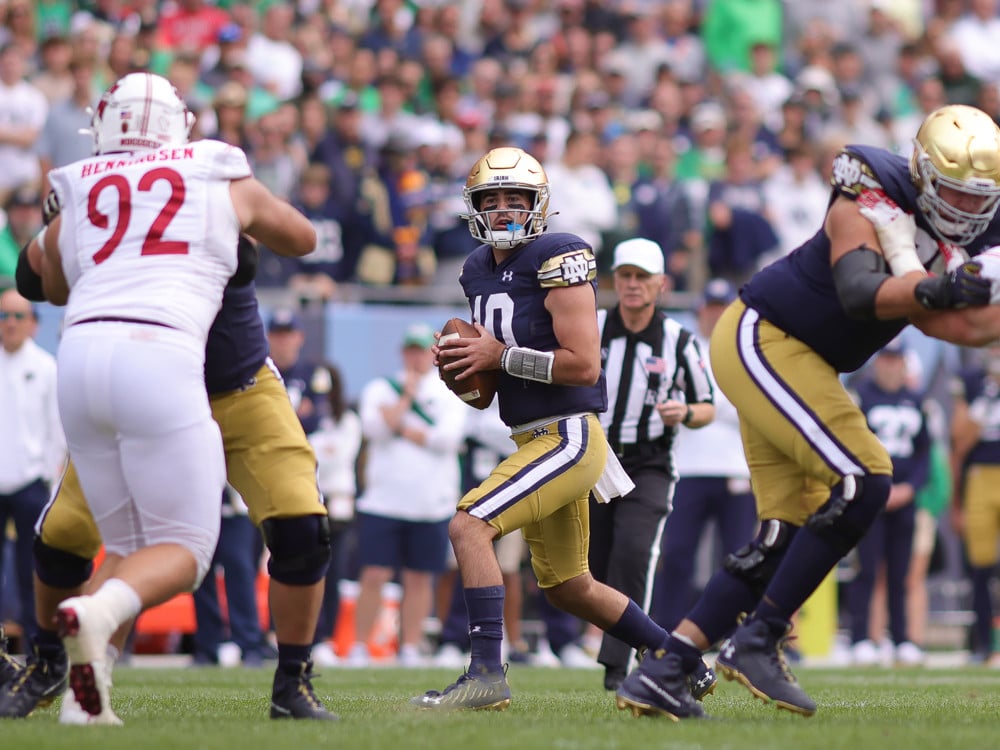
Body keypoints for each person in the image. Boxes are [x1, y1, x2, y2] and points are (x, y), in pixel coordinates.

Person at [616, 103, 1000, 719]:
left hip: (805, 362)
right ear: (924, 174)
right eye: (956, 193)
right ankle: (757, 640)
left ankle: (666, 669)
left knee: (783, 530)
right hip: (763, 336)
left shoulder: (973, 234)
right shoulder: (868, 197)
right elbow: (860, 291)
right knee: (865, 478)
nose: (968, 211)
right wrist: (939, 285)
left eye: (980, 199)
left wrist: (966, 302)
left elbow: (957, 324)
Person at [0, 72, 327, 725]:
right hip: (160, 376)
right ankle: (53, 663)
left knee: (300, 526)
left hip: (224, 381)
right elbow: (305, 238)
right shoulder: (209, 172)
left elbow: (33, 280)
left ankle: (291, 680)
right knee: (67, 538)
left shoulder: (94, 182)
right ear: (184, 126)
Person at [410, 146, 705, 717]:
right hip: (531, 435)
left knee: (469, 526)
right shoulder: (477, 268)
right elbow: (490, 388)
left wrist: (500, 353)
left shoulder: (560, 253)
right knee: (570, 586)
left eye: (513, 199)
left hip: (569, 434)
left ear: (537, 204)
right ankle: (679, 661)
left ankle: (485, 674)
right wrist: (464, 367)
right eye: (490, 200)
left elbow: (583, 364)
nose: (501, 210)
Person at [590, 237, 716, 691]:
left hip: (649, 464)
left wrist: (683, 413)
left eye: (642, 276)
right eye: (625, 275)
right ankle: (602, 645)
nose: (632, 284)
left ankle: (617, 664)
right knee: (589, 563)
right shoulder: (593, 325)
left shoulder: (679, 339)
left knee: (634, 552)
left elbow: (707, 406)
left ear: (661, 284)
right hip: (595, 461)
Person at [346, 322, 467, 667]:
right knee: (374, 575)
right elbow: (373, 430)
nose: (416, 356)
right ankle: (359, 645)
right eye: (410, 350)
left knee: (419, 577)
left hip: (430, 501)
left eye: (421, 350)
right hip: (383, 500)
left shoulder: (449, 392)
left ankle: (410, 646)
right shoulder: (381, 389)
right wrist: (406, 399)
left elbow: (447, 439)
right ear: (403, 352)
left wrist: (398, 425)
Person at [651, 278, 758, 634]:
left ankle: (737, 631)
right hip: (689, 466)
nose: (714, 316)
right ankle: (667, 630)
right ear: (699, 313)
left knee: (738, 555)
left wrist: (698, 406)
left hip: (734, 466)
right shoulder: (682, 350)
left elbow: (750, 405)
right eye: (709, 310)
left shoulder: (745, 351)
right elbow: (664, 399)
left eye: (721, 310)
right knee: (678, 552)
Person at [845, 337, 930, 666]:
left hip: (904, 499)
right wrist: (871, 488)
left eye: (897, 360)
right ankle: (862, 637)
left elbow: (924, 452)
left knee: (899, 572)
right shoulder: (862, 398)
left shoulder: (915, 400)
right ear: (877, 362)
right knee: (866, 569)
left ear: (904, 364)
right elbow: (850, 447)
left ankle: (901, 637)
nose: (891, 366)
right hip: (870, 499)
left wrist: (909, 488)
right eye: (886, 359)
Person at [0, 289, 66, 646]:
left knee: (32, 569)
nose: (9, 324)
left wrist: (47, 476)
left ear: (32, 324)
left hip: (30, 482)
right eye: (3, 316)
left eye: (17, 317)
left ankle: (36, 643)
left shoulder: (45, 368)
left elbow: (56, 430)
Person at [308, 362, 362, 667]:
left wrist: (316, 447)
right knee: (308, 570)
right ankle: (307, 635)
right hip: (310, 499)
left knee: (334, 573)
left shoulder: (348, 420)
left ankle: (326, 637)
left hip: (338, 505)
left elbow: (335, 457)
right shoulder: (309, 419)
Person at [950, 343, 1000, 666]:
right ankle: (983, 644)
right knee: (981, 566)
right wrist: (988, 398)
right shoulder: (970, 379)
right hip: (981, 475)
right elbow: (960, 440)